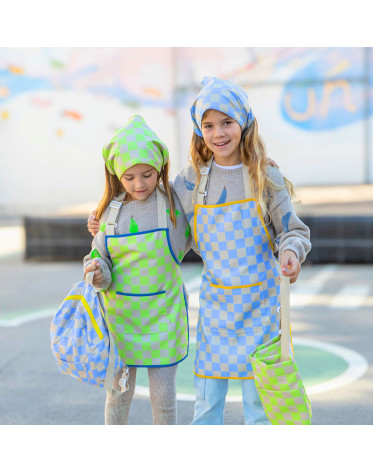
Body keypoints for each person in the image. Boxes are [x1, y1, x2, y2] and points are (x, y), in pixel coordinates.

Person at [172, 76, 311, 425]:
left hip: (262, 307)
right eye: (209, 125)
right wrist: (106, 218)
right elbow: (165, 231)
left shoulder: (266, 176)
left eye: (227, 122)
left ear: (244, 123)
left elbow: (292, 230)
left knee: (259, 407)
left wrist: (290, 253)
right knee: (205, 406)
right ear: (198, 129)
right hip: (216, 309)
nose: (218, 133)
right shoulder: (191, 181)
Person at [83, 114, 191, 425]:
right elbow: (98, 257)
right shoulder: (110, 211)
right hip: (121, 320)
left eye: (147, 174)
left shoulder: (175, 202)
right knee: (118, 395)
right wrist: (97, 271)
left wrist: (261, 165)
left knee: (163, 398)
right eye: (129, 178)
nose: (139, 184)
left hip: (163, 315)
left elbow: (212, 175)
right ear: (116, 175)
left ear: (160, 168)